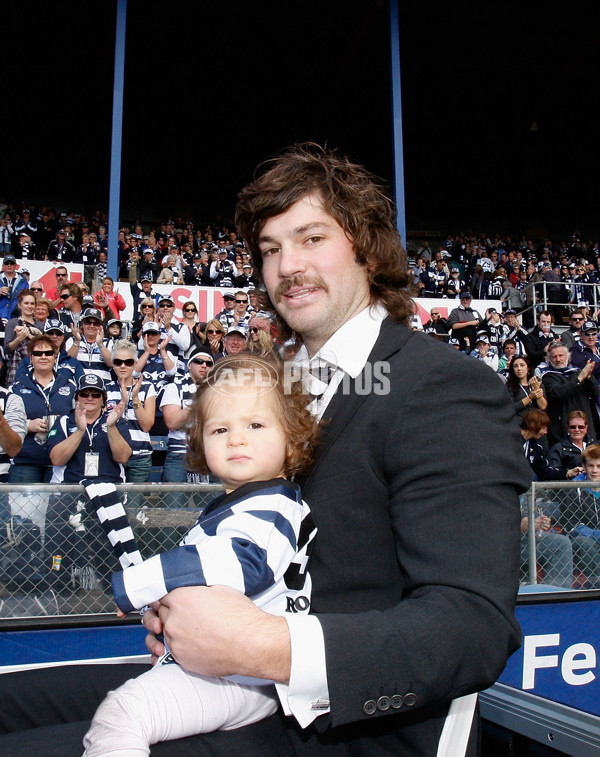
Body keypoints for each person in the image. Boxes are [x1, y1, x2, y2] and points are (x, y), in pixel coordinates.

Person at [0, 144, 530, 757]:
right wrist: (194, 608)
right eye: (272, 249)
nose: (287, 265)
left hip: (343, 729)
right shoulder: (272, 378)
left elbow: (472, 628)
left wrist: (256, 643)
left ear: (365, 247)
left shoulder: (442, 385)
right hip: (226, 685)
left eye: (310, 238)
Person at [83, 354, 319, 756]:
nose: (236, 439)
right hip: (231, 671)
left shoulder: (272, 504)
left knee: (122, 714)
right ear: (199, 443)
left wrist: (142, 582)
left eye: (256, 425)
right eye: (219, 429)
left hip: (240, 675)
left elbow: (241, 563)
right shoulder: (250, 501)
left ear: (292, 437)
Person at [8, 335, 76, 483]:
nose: (43, 357)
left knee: (58, 506)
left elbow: (78, 420)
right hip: (25, 462)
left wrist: (61, 424)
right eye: (38, 353)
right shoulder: (16, 388)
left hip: (60, 461)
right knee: (25, 507)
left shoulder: (70, 386)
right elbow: (5, 424)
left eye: (48, 353)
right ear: (31, 358)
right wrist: (28, 425)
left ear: (55, 356)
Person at [541, 341, 600, 446]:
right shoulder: (548, 376)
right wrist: (580, 378)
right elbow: (559, 392)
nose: (558, 359)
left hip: (585, 426)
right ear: (549, 359)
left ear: (567, 356)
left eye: (561, 356)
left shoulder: (577, 371)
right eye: (554, 357)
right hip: (561, 429)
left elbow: (596, 392)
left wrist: (589, 377)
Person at [560, 443, 600, 588]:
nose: (595, 471)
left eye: (599, 466)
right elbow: (572, 526)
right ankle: (597, 589)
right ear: (584, 465)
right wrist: (597, 535)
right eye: (591, 466)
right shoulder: (572, 489)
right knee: (585, 543)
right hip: (580, 540)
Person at [3, 290, 43, 384]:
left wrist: (30, 335)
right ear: (19, 305)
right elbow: (7, 349)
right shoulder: (13, 323)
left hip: (37, 369)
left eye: (32, 303)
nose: (29, 306)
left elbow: (45, 347)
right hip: (16, 369)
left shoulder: (41, 325)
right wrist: (19, 339)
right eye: (26, 303)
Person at [505, 355, 548, 420]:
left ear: (528, 368)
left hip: (536, 422)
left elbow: (543, 407)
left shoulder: (537, 384)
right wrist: (530, 397)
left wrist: (536, 389)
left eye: (522, 365)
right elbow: (510, 408)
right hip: (519, 423)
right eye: (515, 366)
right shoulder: (509, 386)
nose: (519, 369)